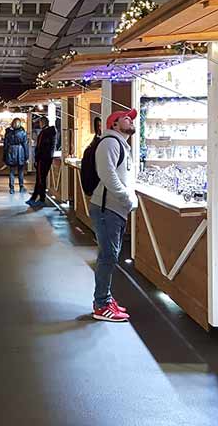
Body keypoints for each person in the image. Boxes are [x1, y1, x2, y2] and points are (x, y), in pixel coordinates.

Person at [90, 109, 138, 322]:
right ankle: (101, 304)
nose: (131, 120)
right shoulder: (110, 143)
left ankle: (105, 299)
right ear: (115, 124)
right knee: (108, 256)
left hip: (114, 208)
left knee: (109, 255)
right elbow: (108, 175)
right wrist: (126, 198)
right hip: (107, 208)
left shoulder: (121, 145)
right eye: (127, 118)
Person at [26, 116, 57, 207]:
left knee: (40, 179)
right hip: (47, 157)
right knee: (40, 178)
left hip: (42, 158)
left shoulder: (44, 133)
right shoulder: (52, 132)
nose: (39, 124)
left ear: (42, 123)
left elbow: (40, 147)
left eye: (40, 123)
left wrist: (36, 159)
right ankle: (34, 197)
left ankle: (41, 198)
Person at [3, 117, 29, 194]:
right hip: (20, 152)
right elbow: (25, 145)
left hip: (11, 151)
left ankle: (11, 188)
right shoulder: (23, 133)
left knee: (11, 171)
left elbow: (5, 145)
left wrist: (4, 155)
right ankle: (21, 187)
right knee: (20, 171)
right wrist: (26, 156)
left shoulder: (8, 133)